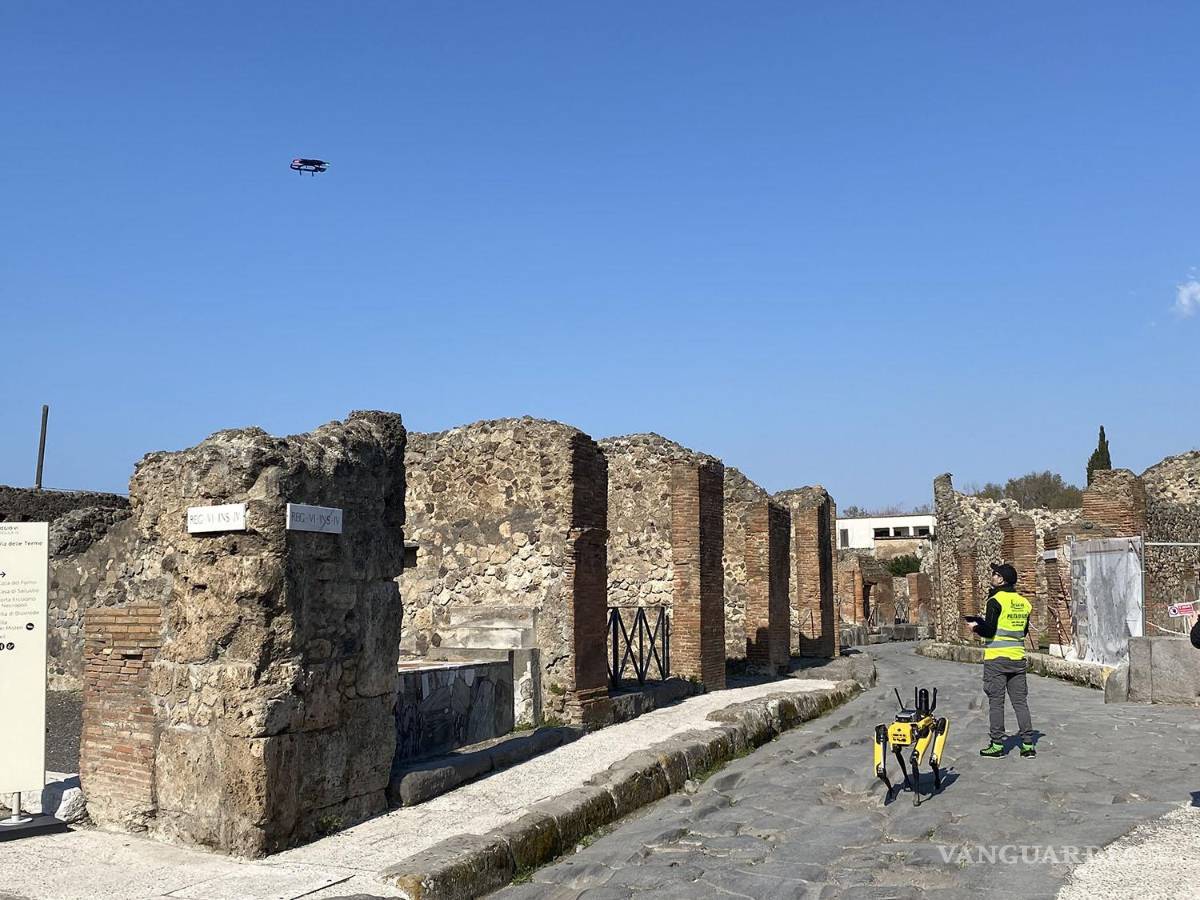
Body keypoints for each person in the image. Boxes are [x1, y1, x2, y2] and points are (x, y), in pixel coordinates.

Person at [968, 563, 1036, 758]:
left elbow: (989, 630)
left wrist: (975, 626)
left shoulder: (995, 600)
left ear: (1002, 580)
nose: (993, 576)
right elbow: (1022, 632)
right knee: (1020, 702)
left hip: (996, 658)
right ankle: (1028, 744)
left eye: (995, 574)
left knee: (996, 702)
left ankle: (997, 745)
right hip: (1017, 658)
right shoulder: (1024, 603)